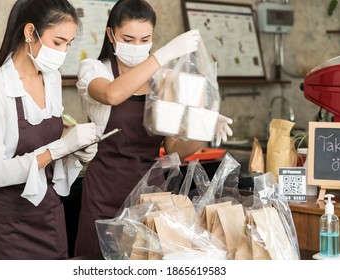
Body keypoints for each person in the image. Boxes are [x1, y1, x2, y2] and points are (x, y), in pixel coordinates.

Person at [74, 0, 233, 259]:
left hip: (151, 195)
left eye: (144, 39)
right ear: (110, 35)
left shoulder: (164, 81)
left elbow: (174, 150)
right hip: (104, 192)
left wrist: (203, 128)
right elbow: (112, 94)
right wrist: (162, 56)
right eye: (128, 38)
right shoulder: (94, 70)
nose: (137, 46)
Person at [0, 0, 98, 260]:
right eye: (57, 42)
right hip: (9, 227)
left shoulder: (52, 79)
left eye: (68, 44)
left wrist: (75, 153)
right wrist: (58, 148)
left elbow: (50, 160)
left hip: (50, 217)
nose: (63, 52)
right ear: (30, 32)